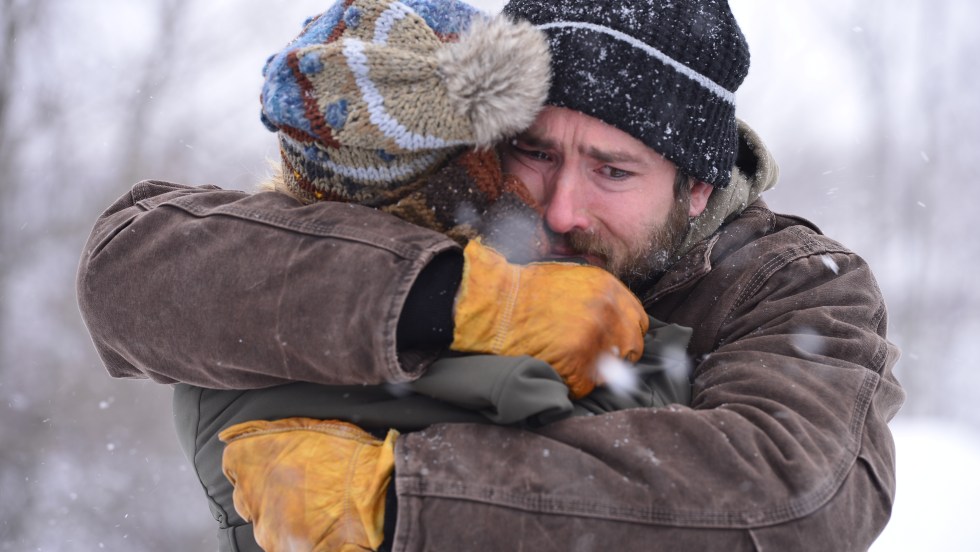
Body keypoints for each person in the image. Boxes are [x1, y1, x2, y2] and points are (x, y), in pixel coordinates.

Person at [76, 0, 905, 550]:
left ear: (696, 185)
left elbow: (794, 494)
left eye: (613, 171)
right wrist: (453, 299)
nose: (563, 208)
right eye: (535, 152)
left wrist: (400, 499)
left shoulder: (790, 286)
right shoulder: (450, 203)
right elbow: (130, 272)